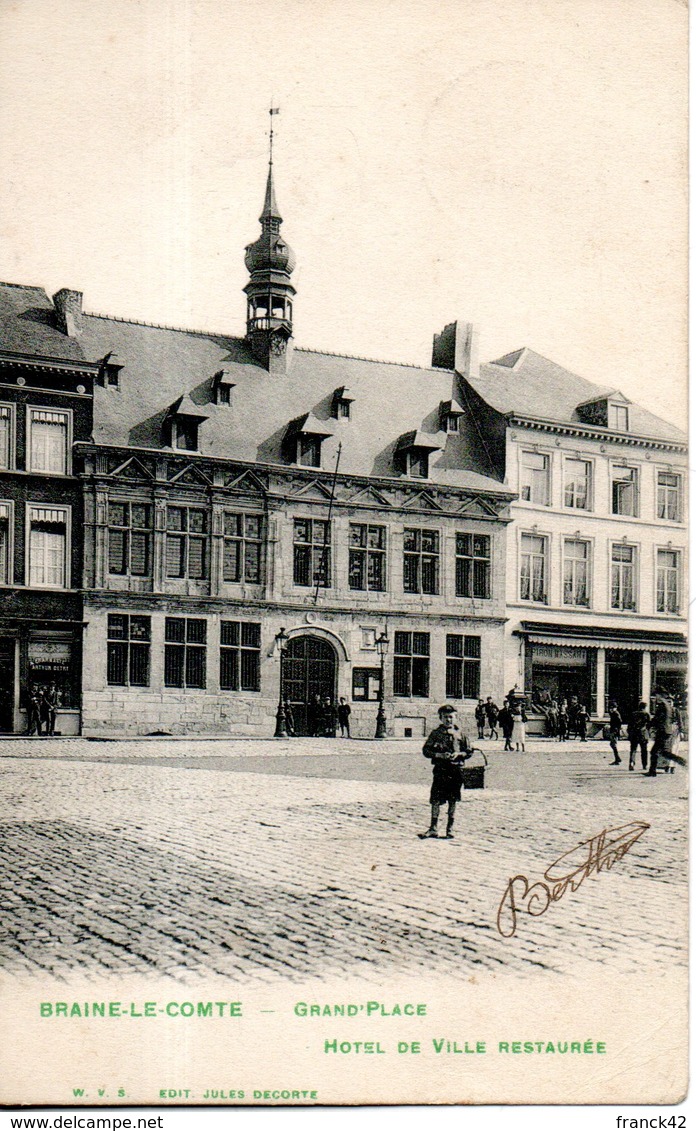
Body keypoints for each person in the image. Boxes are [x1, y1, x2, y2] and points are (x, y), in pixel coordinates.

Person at [418, 705, 472, 840]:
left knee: (453, 799)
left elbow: (469, 751)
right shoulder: (435, 734)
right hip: (441, 770)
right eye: (445, 717)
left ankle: (450, 829)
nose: (448, 720)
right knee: (435, 799)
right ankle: (433, 828)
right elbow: (426, 751)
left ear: (455, 717)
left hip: (455, 770)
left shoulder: (461, 734)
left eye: (451, 717)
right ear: (440, 718)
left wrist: (459, 754)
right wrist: (439, 755)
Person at [647, 687, 684, 776]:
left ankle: (652, 772)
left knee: (655, 751)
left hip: (663, 731)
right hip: (666, 731)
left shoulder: (662, 705)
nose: (655, 697)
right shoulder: (666, 705)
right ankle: (680, 762)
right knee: (663, 751)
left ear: (659, 695)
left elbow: (658, 719)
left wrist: (649, 725)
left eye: (656, 695)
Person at [628, 701, 651, 771]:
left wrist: (630, 733)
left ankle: (632, 763)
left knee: (633, 750)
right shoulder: (647, 714)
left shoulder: (633, 714)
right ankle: (644, 765)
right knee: (644, 750)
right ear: (645, 707)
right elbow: (649, 725)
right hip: (643, 734)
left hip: (634, 734)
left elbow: (630, 725)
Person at [607, 700, 622, 765]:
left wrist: (617, 730)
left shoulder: (616, 714)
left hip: (614, 731)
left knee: (613, 744)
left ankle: (617, 759)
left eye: (612, 707)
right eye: (610, 708)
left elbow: (619, 722)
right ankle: (617, 758)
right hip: (614, 730)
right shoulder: (614, 713)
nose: (611, 709)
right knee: (612, 744)